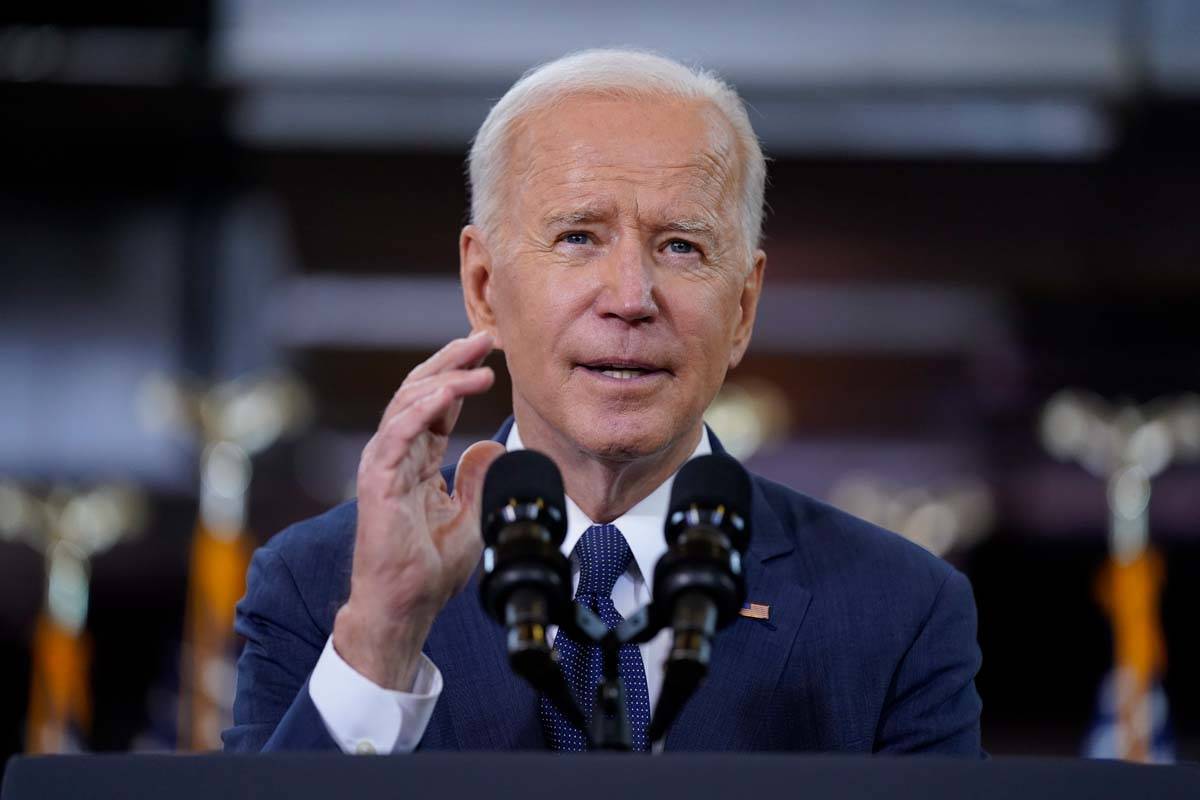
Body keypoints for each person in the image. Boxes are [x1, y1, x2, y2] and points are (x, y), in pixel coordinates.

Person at [222, 48, 982, 755]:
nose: (630, 299)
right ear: (484, 288)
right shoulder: (319, 586)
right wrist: (383, 638)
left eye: (681, 245)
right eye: (579, 237)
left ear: (744, 307)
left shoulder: (897, 609)